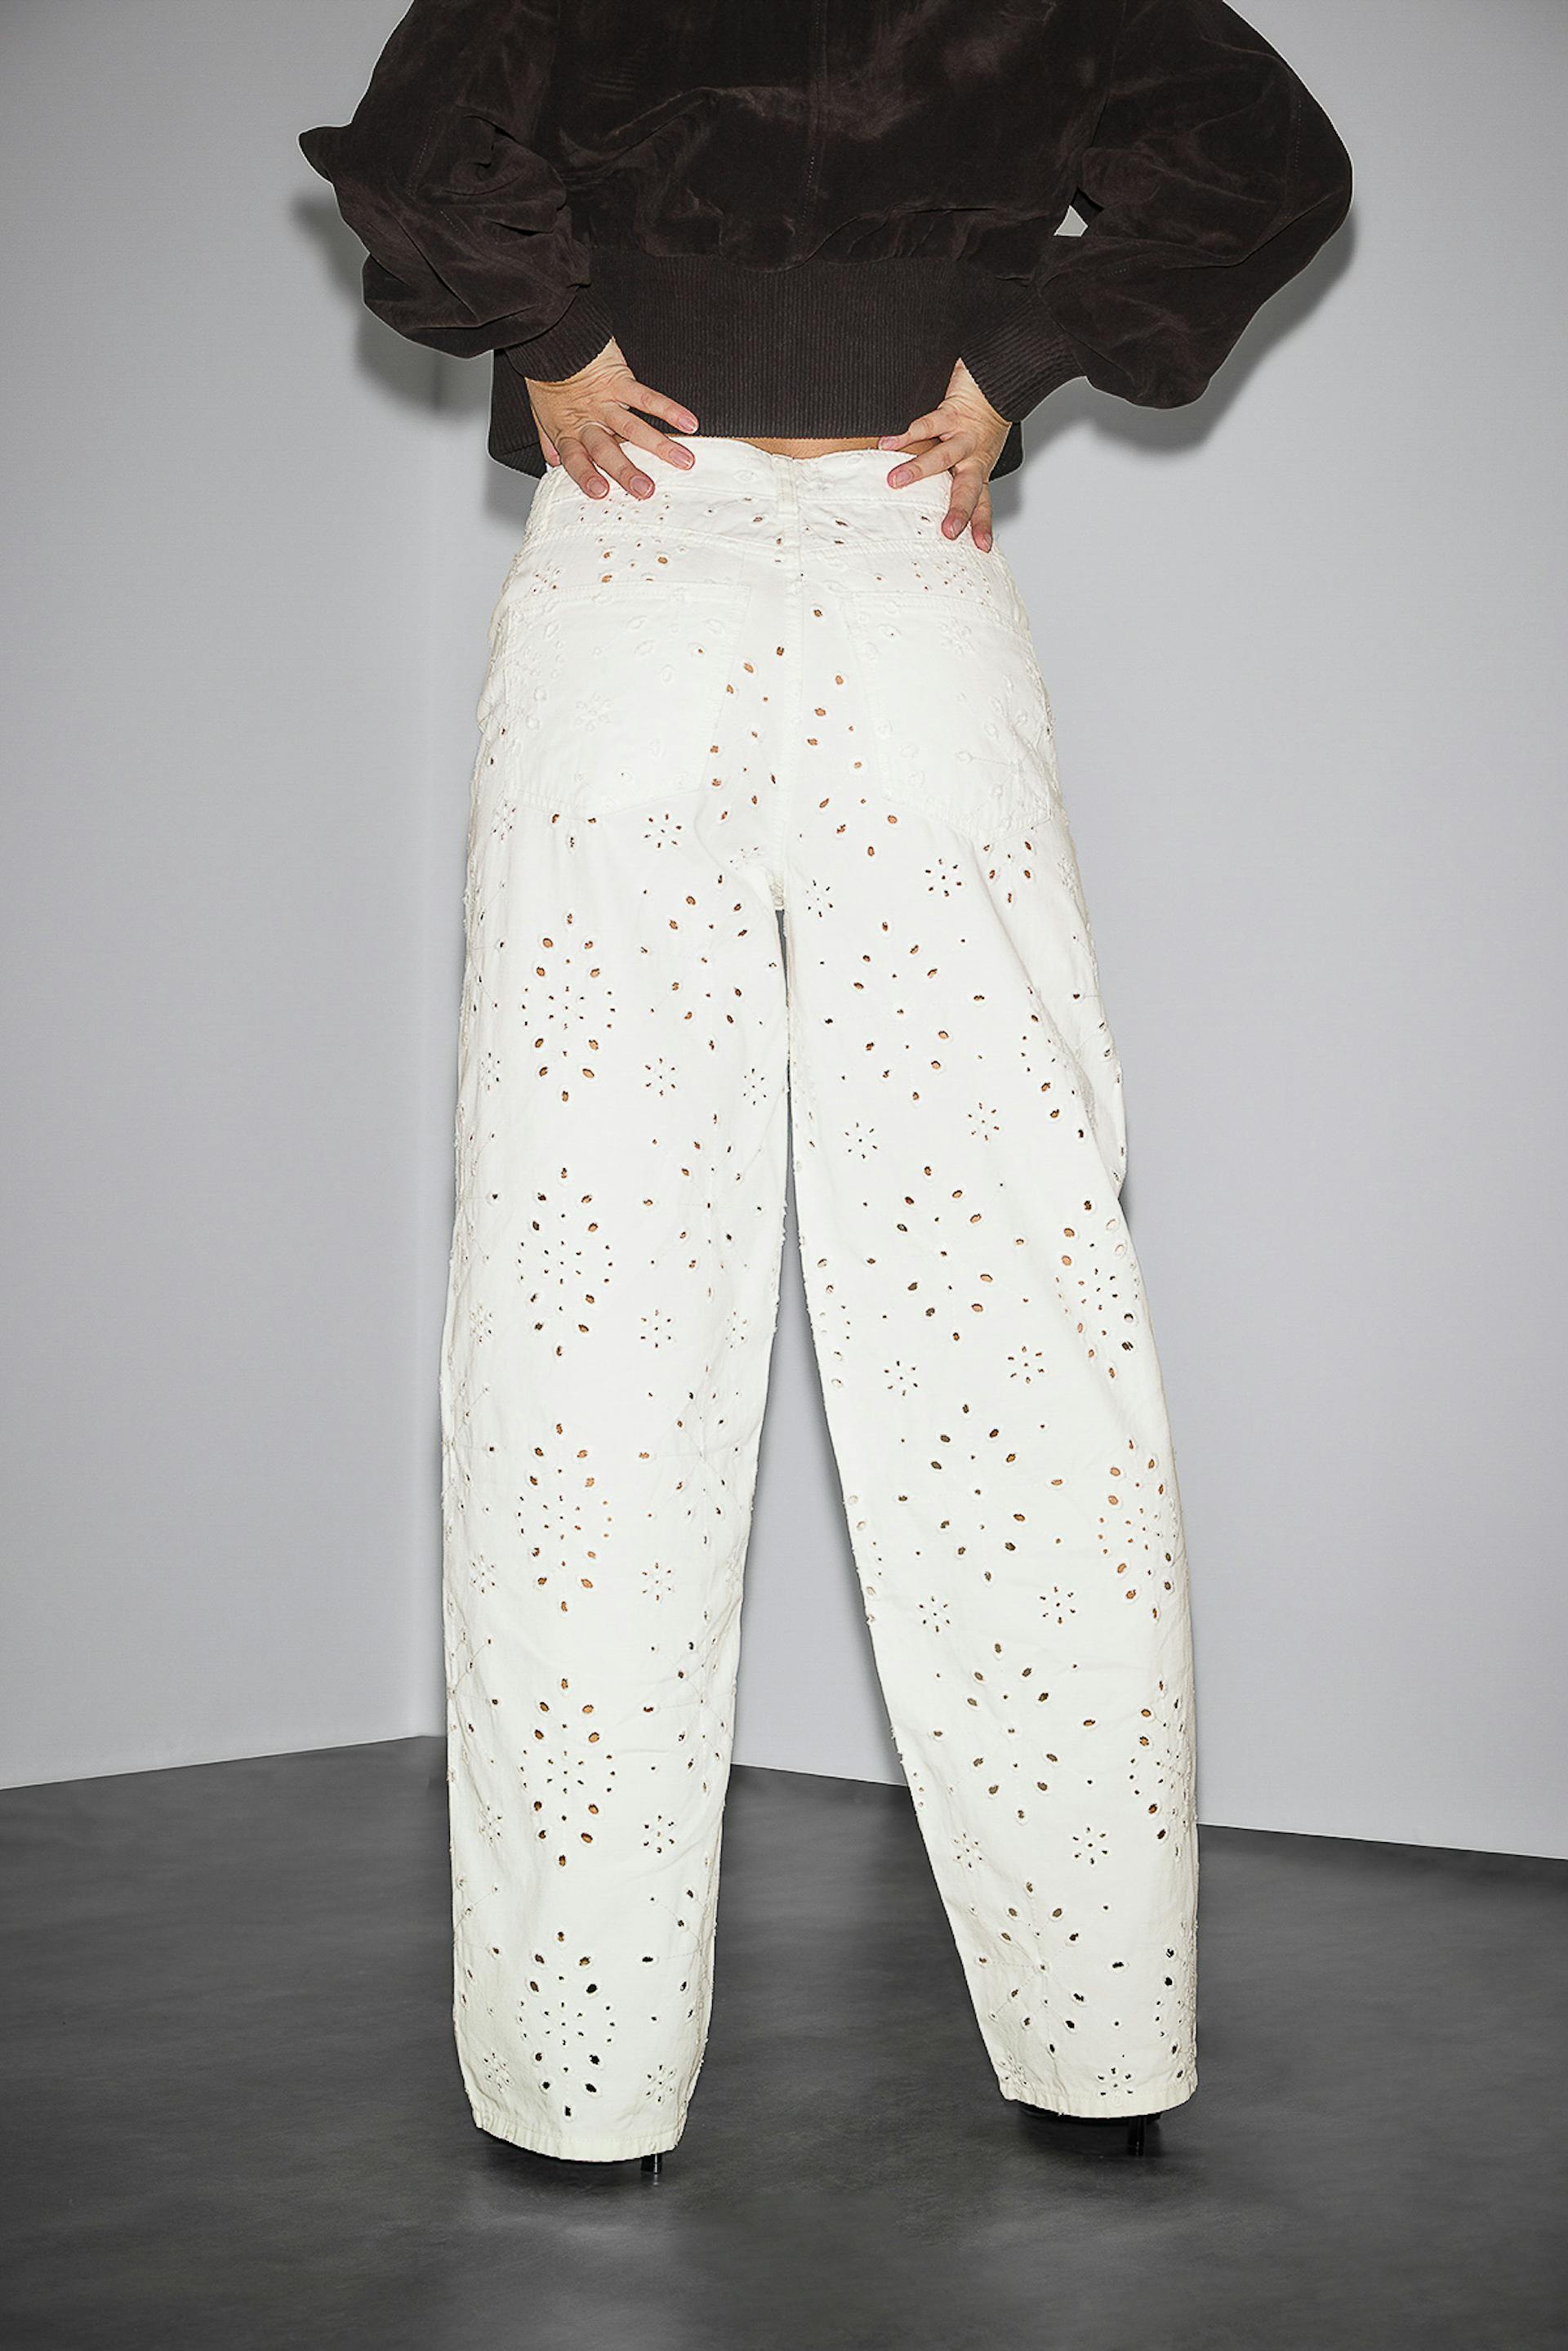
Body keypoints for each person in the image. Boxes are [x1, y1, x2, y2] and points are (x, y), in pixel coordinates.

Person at [300, 0, 1352, 2168]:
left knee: (591, 1308)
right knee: (1003, 1306)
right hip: (872, 570)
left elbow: (425, 135)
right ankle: (1091, 2042)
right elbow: (1263, 158)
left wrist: (565, 323)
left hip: (668, 572)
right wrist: (1007, 347)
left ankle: (587, 2076)